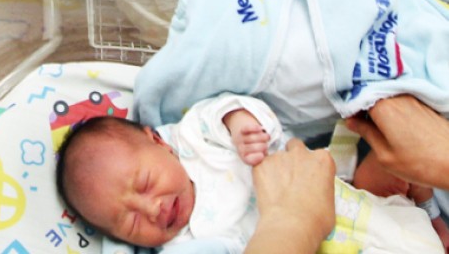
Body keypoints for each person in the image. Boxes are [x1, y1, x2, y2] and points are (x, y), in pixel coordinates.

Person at [56, 94, 443, 252]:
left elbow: (225, 109)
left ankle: (430, 213)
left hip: (355, 195)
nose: (153, 208)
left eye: (143, 184)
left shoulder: (196, 140)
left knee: (383, 162)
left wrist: (241, 124)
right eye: (129, 221)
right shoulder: (185, 243)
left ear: (156, 141)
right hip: (340, 244)